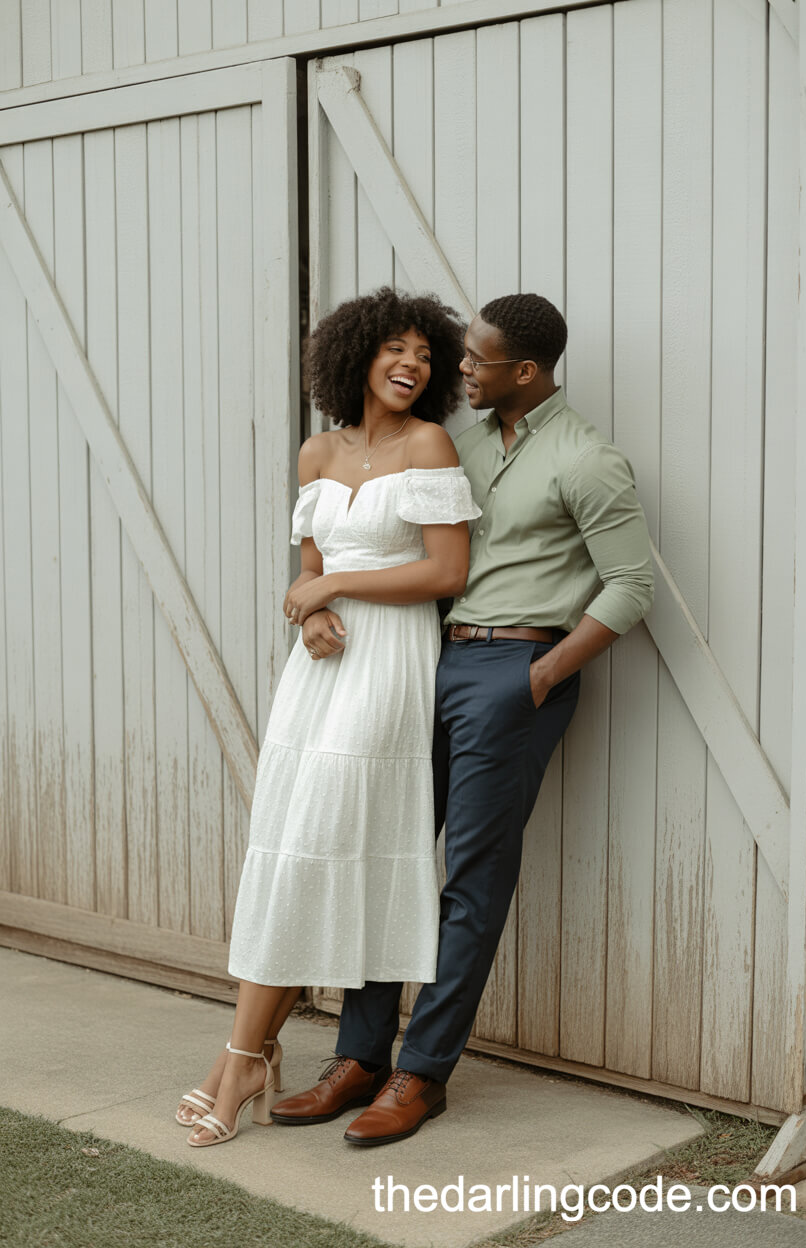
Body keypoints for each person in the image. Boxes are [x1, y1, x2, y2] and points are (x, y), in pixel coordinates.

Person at [271, 292, 654, 1146]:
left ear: (526, 371)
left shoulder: (588, 459)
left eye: (474, 361)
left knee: (470, 879)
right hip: (422, 661)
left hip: (510, 671)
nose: (458, 371)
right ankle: (359, 1057)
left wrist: (543, 673)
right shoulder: (456, 446)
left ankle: (421, 1072)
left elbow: (632, 585)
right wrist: (315, 600)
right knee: (391, 853)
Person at [176, 286, 481, 1147]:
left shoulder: (429, 444)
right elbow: (310, 571)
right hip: (320, 672)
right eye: (395, 348)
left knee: (313, 844)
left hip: (389, 666)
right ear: (355, 357)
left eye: (424, 353)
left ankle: (239, 1060)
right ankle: (251, 1050)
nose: (412, 364)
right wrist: (310, 613)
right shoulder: (317, 452)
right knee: (285, 842)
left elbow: (444, 571)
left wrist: (333, 588)